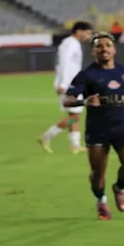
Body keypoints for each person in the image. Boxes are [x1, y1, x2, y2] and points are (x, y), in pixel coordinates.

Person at [62, 32, 124, 220]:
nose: (104, 49)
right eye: (99, 46)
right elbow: (67, 100)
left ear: (114, 49)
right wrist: (84, 102)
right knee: (97, 173)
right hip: (97, 130)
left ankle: (119, 188)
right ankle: (101, 200)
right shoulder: (86, 75)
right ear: (93, 51)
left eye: (108, 45)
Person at [38, 21, 93, 153]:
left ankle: (75, 145)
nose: (89, 36)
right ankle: (46, 136)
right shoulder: (70, 44)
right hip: (68, 85)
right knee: (74, 117)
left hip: (72, 84)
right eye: (88, 33)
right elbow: (64, 63)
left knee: (74, 115)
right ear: (79, 31)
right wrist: (63, 84)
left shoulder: (72, 43)